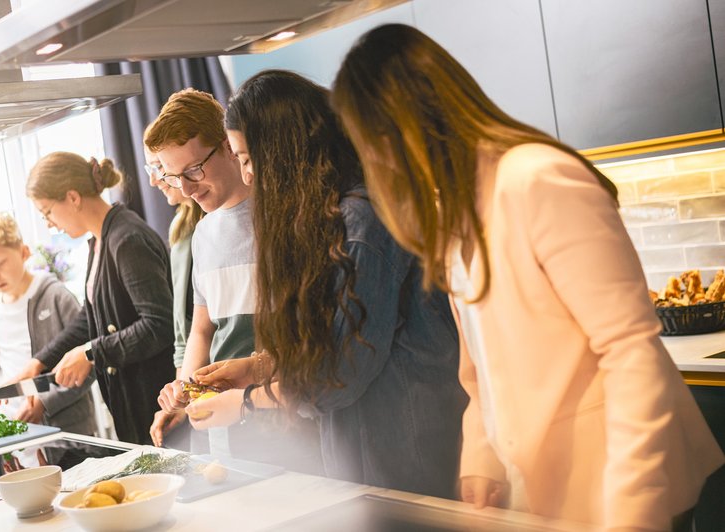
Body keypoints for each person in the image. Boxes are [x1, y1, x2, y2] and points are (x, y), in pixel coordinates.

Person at [329, 23, 725, 531]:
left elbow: (631, 352)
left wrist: (633, 508)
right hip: (547, 483)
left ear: (405, 125)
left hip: (619, 476)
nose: (376, 161)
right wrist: (483, 460)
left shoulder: (536, 179)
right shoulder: (454, 218)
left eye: (372, 141)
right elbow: (480, 374)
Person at [186, 70, 467, 499]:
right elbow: (331, 342)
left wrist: (244, 403)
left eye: (246, 158)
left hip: (404, 460)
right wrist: (256, 367)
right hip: (372, 459)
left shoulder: (361, 224)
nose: (247, 176)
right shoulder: (340, 216)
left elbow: (337, 375)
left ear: (282, 150)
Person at [144, 88, 322, 472]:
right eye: (175, 177)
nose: (187, 189)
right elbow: (203, 329)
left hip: (291, 420)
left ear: (228, 146)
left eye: (193, 171)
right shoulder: (203, 235)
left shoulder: (288, 217)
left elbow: (318, 334)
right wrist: (185, 388)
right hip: (227, 431)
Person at [14, 152, 176, 445]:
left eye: (47, 211)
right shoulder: (100, 239)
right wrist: (40, 361)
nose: (49, 223)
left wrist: (91, 353)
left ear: (73, 197)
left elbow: (159, 325)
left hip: (156, 401)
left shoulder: (126, 239)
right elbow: (90, 317)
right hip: (133, 403)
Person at [0, 213, 96, 437]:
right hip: (10, 436)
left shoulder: (56, 296)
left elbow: (88, 364)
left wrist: (45, 402)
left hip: (63, 437)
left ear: (23, 252)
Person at [142, 142, 206, 448]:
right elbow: (186, 333)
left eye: (159, 168)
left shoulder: (208, 227)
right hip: (197, 392)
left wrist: (186, 391)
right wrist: (178, 398)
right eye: (151, 169)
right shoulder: (181, 229)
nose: (155, 179)